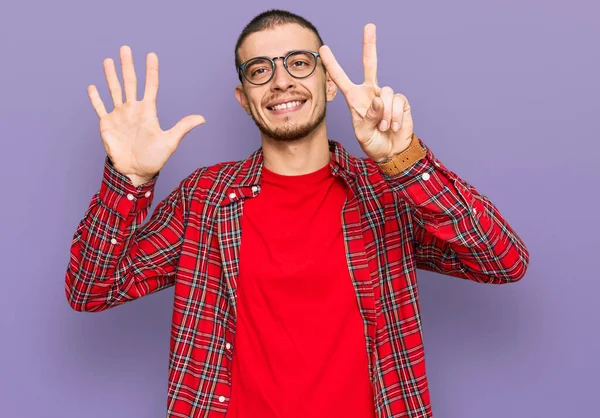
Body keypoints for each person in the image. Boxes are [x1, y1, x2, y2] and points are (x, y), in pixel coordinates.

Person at [65, 9, 529, 418]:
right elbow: (90, 289)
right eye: (259, 70)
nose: (281, 80)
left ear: (329, 83)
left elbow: (504, 260)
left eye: (299, 63)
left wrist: (404, 161)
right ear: (244, 98)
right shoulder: (204, 199)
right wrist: (130, 182)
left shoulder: (384, 193)